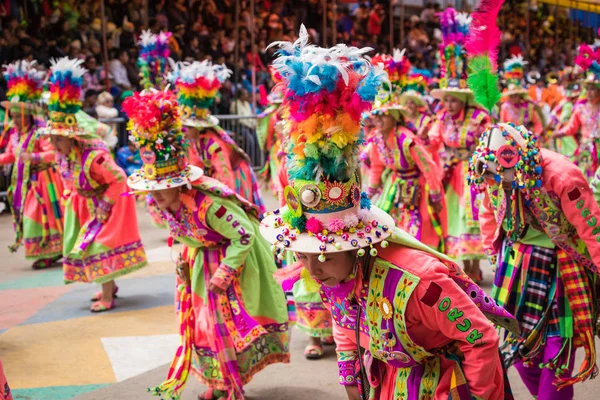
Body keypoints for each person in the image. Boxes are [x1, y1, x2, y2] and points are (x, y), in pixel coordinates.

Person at [261, 31, 516, 399]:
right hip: (390, 382)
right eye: (302, 256)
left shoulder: (421, 284)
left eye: (320, 257)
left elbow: (481, 339)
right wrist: (351, 384)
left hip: (447, 383)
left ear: (356, 248)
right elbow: (346, 328)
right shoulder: (335, 277)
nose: (311, 271)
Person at [123, 90, 290, 400]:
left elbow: (243, 236)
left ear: (180, 185)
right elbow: (185, 233)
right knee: (201, 324)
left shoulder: (211, 206)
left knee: (225, 326)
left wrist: (225, 272)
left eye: (163, 188)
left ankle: (230, 384)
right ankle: (218, 382)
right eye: (153, 189)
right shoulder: (164, 204)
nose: (156, 195)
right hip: (201, 262)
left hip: (234, 260)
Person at [468, 123, 600, 400]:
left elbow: (592, 229)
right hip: (516, 266)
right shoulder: (490, 174)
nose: (497, 184)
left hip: (563, 265)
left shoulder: (563, 176)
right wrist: (495, 256)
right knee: (521, 352)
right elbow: (488, 215)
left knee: (557, 351)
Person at [42, 57, 147, 312]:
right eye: (53, 139)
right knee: (88, 247)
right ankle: (107, 287)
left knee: (97, 246)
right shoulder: (66, 154)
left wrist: (104, 207)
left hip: (106, 203)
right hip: (84, 204)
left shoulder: (94, 156)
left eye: (58, 139)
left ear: (72, 138)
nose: (54, 145)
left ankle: (108, 296)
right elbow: (57, 166)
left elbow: (119, 178)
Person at [427, 9, 492, 283]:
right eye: (447, 100)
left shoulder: (479, 118)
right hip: (450, 173)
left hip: (472, 174)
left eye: (454, 100)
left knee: (471, 218)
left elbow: (489, 143)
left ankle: (474, 267)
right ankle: (461, 268)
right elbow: (432, 140)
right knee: (452, 219)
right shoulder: (440, 117)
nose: (449, 105)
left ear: (464, 100)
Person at [368, 49, 447, 251]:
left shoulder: (407, 139)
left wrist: (436, 195)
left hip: (416, 189)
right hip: (393, 187)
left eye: (383, 116)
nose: (378, 120)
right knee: (387, 230)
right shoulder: (377, 138)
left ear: (394, 116)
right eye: (376, 116)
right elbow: (376, 166)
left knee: (416, 233)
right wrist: (372, 190)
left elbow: (428, 167)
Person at [171, 60, 265, 213]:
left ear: (197, 127)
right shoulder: (194, 143)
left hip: (236, 176)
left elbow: (225, 175)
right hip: (217, 177)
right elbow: (196, 169)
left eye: (186, 127)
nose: (183, 131)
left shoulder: (213, 144)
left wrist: (223, 200)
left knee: (237, 213)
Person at [0, 60, 64, 269]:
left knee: (40, 216)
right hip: (26, 182)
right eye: (14, 115)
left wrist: (34, 158)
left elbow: (53, 152)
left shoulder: (40, 131)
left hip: (44, 181)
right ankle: (47, 250)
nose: (16, 119)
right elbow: (11, 154)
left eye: (19, 116)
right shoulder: (15, 134)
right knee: (29, 215)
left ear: (28, 115)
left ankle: (52, 250)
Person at [555, 41, 600, 181]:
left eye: (593, 88)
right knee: (585, 182)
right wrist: (560, 132)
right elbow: (572, 127)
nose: (589, 92)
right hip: (586, 151)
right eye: (588, 88)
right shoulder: (580, 108)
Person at [500, 55, 546, 138]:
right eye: (511, 95)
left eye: (515, 95)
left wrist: (536, 136)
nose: (513, 98)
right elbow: (502, 125)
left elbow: (537, 123)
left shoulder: (529, 106)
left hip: (529, 141)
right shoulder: (505, 107)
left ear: (519, 95)